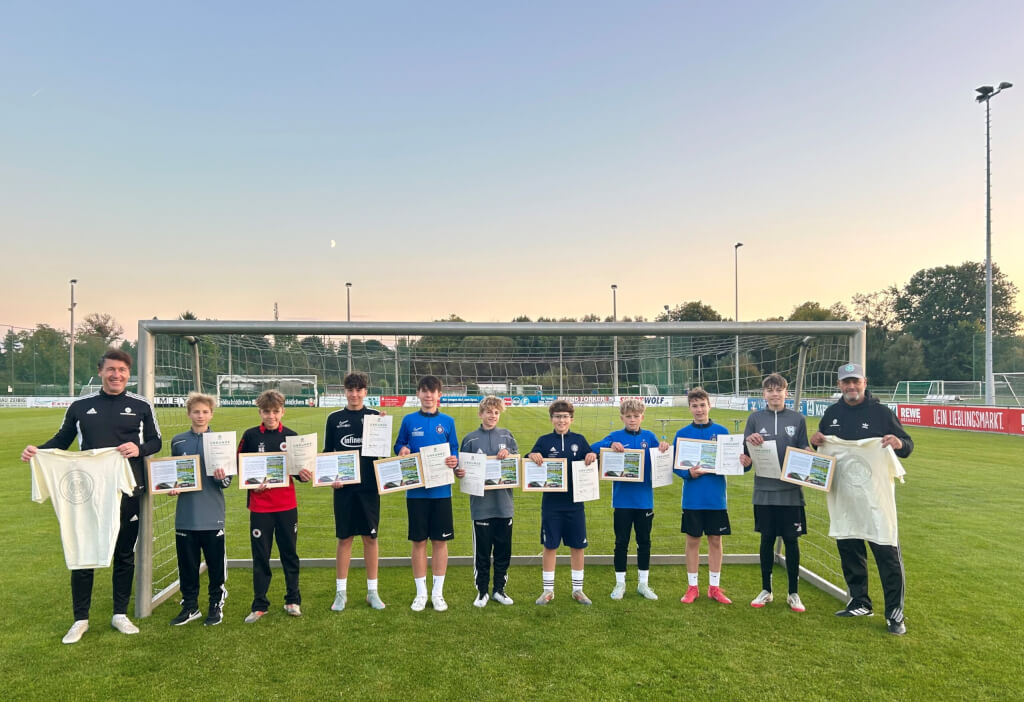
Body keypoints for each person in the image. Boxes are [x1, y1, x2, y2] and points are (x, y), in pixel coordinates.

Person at [20, 348, 162, 644]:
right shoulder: (81, 405)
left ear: (128, 374)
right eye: (111, 369)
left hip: (129, 488)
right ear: (100, 371)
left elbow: (155, 441)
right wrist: (38, 452)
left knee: (125, 552)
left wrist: (139, 449)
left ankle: (119, 614)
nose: (116, 375)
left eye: (122, 370)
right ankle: (80, 619)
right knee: (83, 549)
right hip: (89, 493)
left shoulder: (141, 404)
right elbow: (62, 440)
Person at [810, 362, 914, 636]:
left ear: (864, 382)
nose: (851, 386)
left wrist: (897, 443)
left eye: (855, 381)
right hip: (844, 498)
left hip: (876, 500)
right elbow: (821, 449)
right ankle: (859, 601)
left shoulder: (881, 413)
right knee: (849, 547)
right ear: (839, 385)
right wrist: (816, 441)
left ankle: (895, 614)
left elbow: (907, 446)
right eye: (846, 382)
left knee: (886, 552)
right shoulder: (832, 413)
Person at [739, 374, 811, 613]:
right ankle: (766, 590)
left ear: (786, 393)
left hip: (790, 491)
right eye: (769, 390)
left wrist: (810, 455)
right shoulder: (755, 418)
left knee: (791, 540)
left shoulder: (797, 419)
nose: (774, 394)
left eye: (778, 389)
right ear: (764, 394)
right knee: (766, 539)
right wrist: (748, 446)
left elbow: (804, 450)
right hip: (764, 490)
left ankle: (793, 593)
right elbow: (745, 460)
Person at [238, 390, 311, 623]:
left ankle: (293, 600)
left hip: (286, 505)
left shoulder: (292, 437)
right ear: (260, 412)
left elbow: (300, 473)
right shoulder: (249, 436)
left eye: (275, 411)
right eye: (266, 412)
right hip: (260, 507)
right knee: (261, 556)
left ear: (283, 411)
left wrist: (305, 474)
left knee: (289, 553)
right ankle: (260, 604)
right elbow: (240, 467)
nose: (271, 416)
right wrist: (251, 485)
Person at [590, 398, 670, 601]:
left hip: (644, 500)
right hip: (622, 501)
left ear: (642, 417)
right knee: (621, 542)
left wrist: (663, 447)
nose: (632, 420)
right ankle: (620, 583)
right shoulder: (615, 436)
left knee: (644, 542)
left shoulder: (649, 437)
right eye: (628, 416)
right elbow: (592, 447)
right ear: (622, 417)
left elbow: (662, 455)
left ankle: (643, 583)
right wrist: (609, 444)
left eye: (636, 416)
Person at [394, 375, 462, 612]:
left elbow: (454, 448)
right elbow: (399, 444)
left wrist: (455, 459)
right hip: (416, 492)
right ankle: (421, 593)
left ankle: (438, 593)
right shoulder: (409, 420)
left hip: (441, 490)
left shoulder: (448, 421)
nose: (428, 395)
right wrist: (402, 449)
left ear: (439, 395)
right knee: (419, 541)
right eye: (424, 391)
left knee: (440, 541)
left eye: (432, 392)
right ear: (418, 394)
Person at [324, 372, 386, 611]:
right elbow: (328, 452)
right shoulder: (334, 418)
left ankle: (373, 591)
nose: (355, 394)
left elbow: (380, 453)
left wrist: (382, 425)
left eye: (359, 390)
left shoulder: (374, 417)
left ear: (365, 392)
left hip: (370, 487)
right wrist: (331, 478)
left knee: (370, 538)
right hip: (344, 489)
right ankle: (341, 593)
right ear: (344, 391)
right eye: (350, 390)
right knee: (345, 538)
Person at [168, 392, 231, 627]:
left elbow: (227, 483)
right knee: (187, 565)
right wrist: (172, 487)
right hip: (186, 515)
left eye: (205, 412)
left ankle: (216, 603)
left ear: (211, 414)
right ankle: (190, 606)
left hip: (212, 515)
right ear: (189, 414)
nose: (201, 416)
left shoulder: (220, 442)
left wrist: (221, 478)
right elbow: (174, 473)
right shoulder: (178, 441)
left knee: (215, 566)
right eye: (196, 411)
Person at [528, 400, 597, 605]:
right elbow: (529, 460)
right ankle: (548, 590)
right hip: (551, 504)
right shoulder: (544, 440)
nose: (561, 420)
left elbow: (591, 459)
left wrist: (593, 455)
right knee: (550, 545)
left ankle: (578, 590)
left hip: (575, 503)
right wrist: (532, 455)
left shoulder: (579, 439)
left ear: (571, 419)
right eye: (558, 416)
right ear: (552, 419)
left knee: (578, 546)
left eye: (565, 416)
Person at [673, 388, 734, 605]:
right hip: (692, 498)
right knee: (692, 540)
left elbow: (735, 464)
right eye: (694, 405)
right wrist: (688, 473)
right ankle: (692, 587)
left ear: (710, 405)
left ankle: (714, 588)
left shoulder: (723, 431)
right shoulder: (681, 434)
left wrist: (743, 462)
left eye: (702, 405)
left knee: (715, 540)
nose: (699, 409)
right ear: (690, 408)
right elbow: (675, 465)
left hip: (716, 498)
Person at [460, 396, 519, 607]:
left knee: (503, 551)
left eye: (496, 412)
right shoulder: (470, 439)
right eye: (488, 412)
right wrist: (460, 473)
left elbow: (517, 467)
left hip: (504, 505)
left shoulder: (507, 436)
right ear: (480, 414)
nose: (492, 416)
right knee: (482, 552)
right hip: (481, 507)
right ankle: (482, 591)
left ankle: (499, 590)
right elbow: (462, 470)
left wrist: (510, 454)